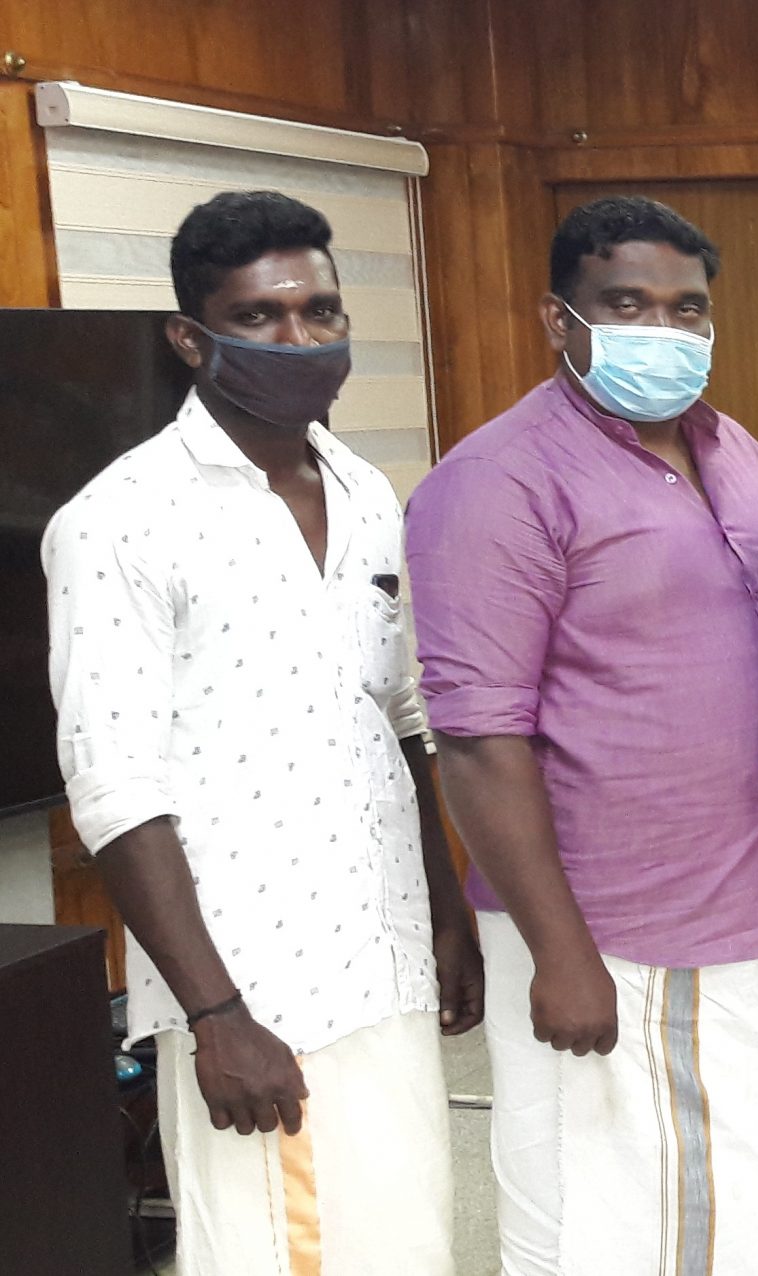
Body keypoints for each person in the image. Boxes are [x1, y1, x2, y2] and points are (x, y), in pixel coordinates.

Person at [44, 190, 479, 1273]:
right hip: (257, 994)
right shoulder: (118, 521)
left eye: (319, 312)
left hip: (385, 964)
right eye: (259, 316)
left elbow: (397, 716)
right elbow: (114, 789)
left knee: (407, 1247)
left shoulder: (365, 490)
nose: (298, 338)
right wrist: (216, 1014)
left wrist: (445, 909)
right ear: (191, 339)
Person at [406, 196, 758, 1274]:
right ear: (560, 319)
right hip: (607, 935)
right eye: (627, 305)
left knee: (754, 1218)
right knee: (610, 1230)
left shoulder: (736, 451)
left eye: (687, 309)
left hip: (744, 916)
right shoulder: (496, 482)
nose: (663, 329)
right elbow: (477, 740)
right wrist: (561, 954)